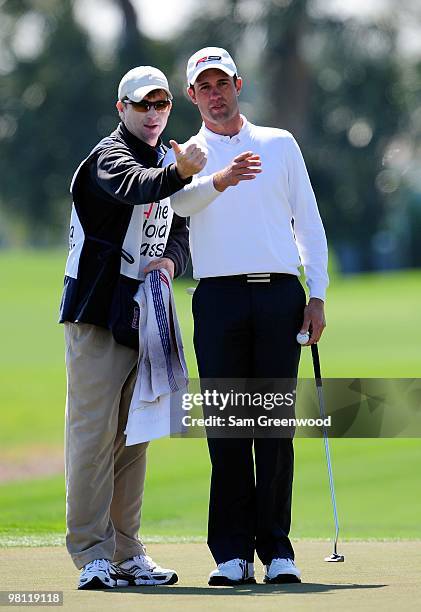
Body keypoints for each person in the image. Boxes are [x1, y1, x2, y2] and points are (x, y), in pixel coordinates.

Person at [170, 47, 329, 586]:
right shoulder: (186, 154)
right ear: (192, 96)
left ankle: (278, 549)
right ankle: (232, 553)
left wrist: (318, 294)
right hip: (217, 299)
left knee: (273, 427)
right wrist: (219, 179)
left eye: (222, 84)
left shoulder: (279, 143)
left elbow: (308, 221)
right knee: (227, 429)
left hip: (280, 294)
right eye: (204, 87)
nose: (215, 95)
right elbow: (181, 206)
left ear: (238, 84)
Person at [59, 65, 208, 590]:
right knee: (93, 437)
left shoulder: (171, 162)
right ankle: (92, 555)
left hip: (145, 316)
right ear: (122, 109)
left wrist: (171, 259)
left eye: (161, 104)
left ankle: (127, 553)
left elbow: (179, 223)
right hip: (96, 313)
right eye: (142, 105)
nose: (152, 113)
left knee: (135, 435)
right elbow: (135, 187)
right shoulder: (109, 156)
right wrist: (181, 171)